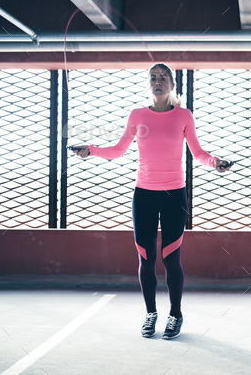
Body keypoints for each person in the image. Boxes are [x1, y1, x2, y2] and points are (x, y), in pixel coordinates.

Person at [71, 63, 233, 339]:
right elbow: (119, 150)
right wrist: (93, 150)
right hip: (144, 195)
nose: (158, 82)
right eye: (153, 78)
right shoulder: (137, 115)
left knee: (171, 258)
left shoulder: (183, 116)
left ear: (171, 84)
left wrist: (215, 162)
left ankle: (175, 314)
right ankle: (150, 314)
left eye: (163, 78)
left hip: (174, 195)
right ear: (149, 84)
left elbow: (198, 152)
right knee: (146, 257)